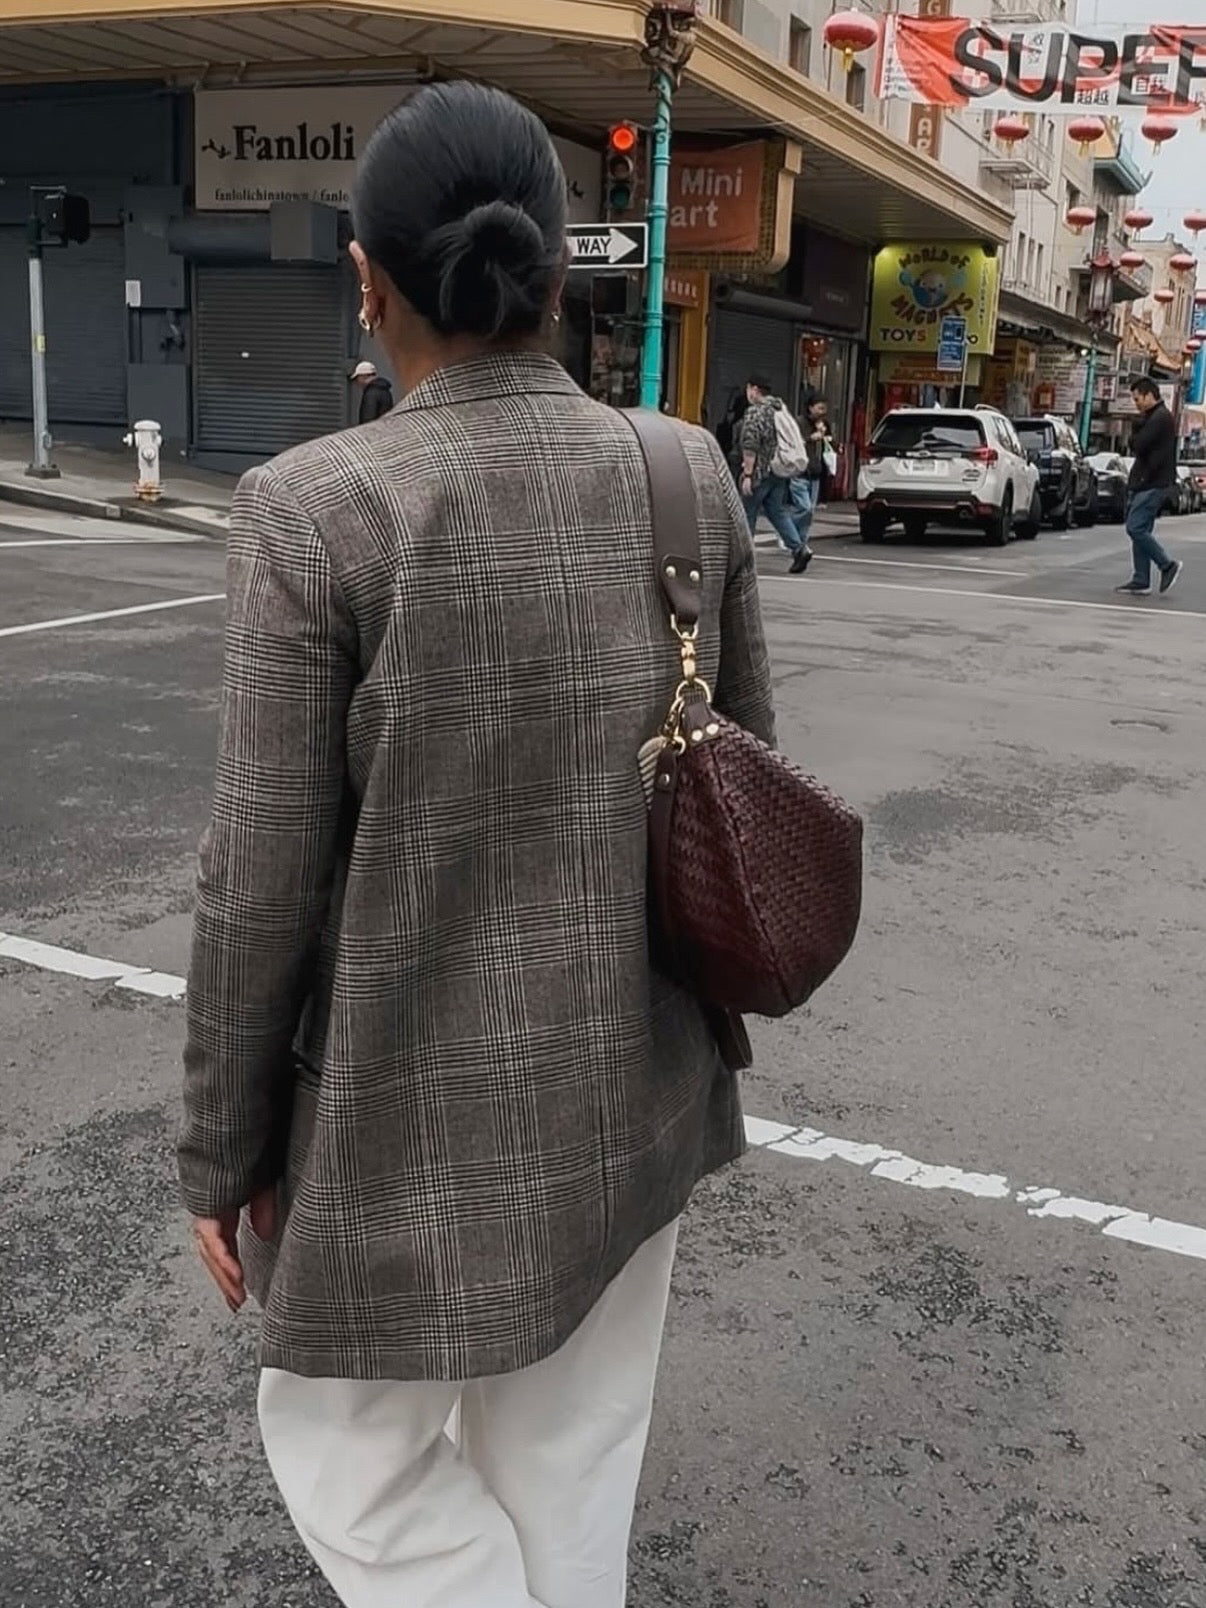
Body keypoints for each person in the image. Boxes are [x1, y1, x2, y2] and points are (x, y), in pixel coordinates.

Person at [178, 80, 774, 1608]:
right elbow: (740, 777)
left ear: (367, 281)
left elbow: (257, 882)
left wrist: (224, 1150)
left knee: (343, 1451)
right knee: (571, 1460)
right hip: (636, 1084)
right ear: (557, 278)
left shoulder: (318, 510)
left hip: (401, 1115)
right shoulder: (680, 472)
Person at [1116, 376, 1182, 597]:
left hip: (1153, 482)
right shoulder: (1155, 417)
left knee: (1135, 527)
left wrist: (1137, 429)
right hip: (1147, 481)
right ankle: (1141, 578)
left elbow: (1139, 444)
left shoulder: (1160, 418)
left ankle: (1166, 564)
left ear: (1149, 395)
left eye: (1137, 399)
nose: (1136, 404)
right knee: (1140, 530)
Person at [738, 375, 811, 574]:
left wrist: (747, 474)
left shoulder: (755, 412)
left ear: (754, 390)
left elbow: (750, 445)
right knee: (776, 511)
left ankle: (745, 559)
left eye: (749, 389)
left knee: (747, 512)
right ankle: (798, 548)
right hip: (778, 470)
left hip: (760, 471)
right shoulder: (779, 409)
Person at [790, 397, 837, 555]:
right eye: (819, 408)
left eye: (824, 409)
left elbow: (830, 445)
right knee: (805, 507)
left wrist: (826, 437)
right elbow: (794, 443)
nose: (822, 412)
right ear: (810, 408)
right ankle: (788, 531)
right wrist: (811, 438)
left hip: (816, 471)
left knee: (809, 512)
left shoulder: (824, 425)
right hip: (800, 472)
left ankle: (800, 543)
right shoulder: (799, 423)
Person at [350, 358, 394, 423]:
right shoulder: (385, 391)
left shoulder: (371, 394)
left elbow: (368, 418)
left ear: (364, 376)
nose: (357, 382)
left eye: (357, 378)